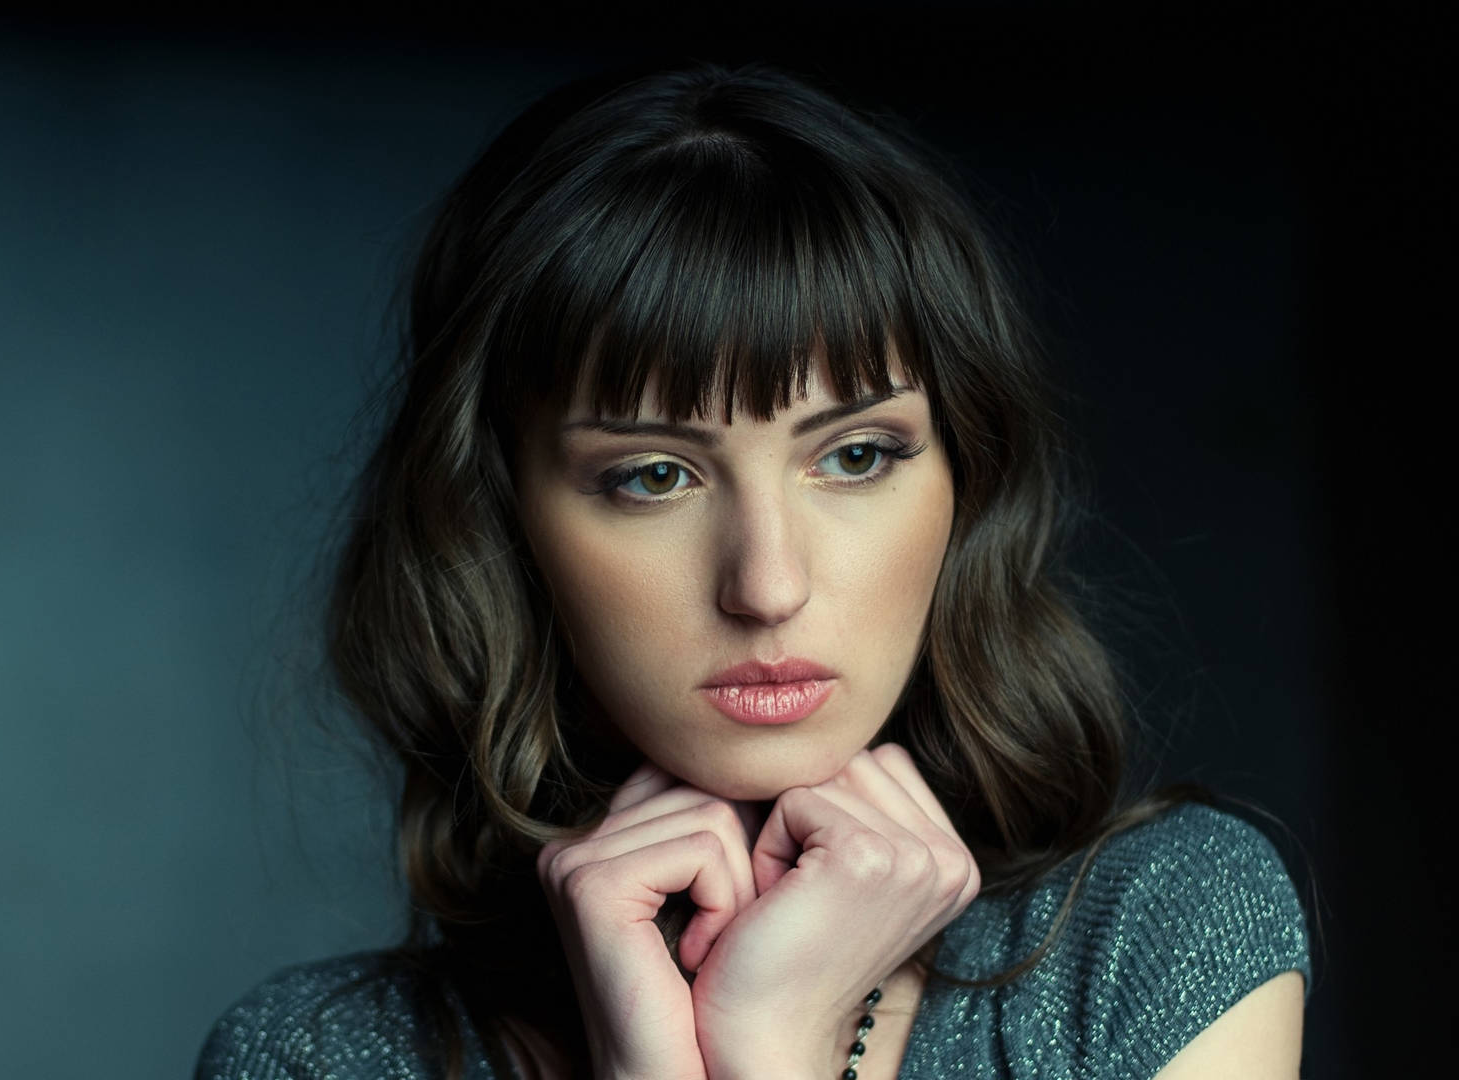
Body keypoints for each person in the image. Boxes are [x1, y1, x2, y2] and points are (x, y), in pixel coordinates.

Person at [194, 59, 1311, 1080]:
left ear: (965, 484)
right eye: (652, 477)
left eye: (856, 455)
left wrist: (771, 1047)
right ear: (498, 521)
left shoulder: (1154, 934)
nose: (767, 585)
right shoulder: (316, 1059)